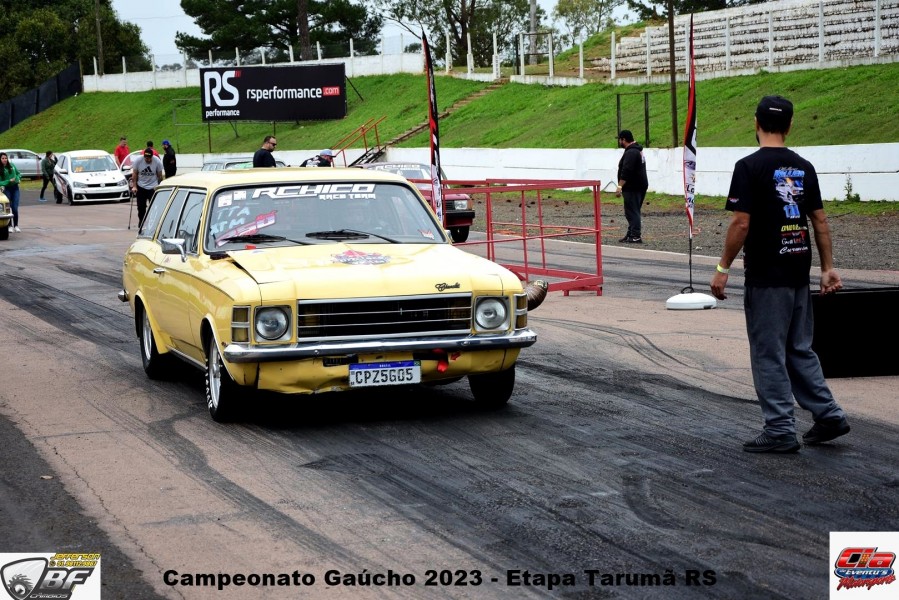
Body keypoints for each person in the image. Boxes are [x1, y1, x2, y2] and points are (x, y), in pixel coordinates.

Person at [710, 95, 850, 454]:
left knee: (768, 352)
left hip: (767, 274)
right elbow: (819, 220)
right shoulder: (804, 166)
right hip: (798, 268)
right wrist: (827, 268)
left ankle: (779, 428)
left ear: (756, 123)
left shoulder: (748, 166)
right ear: (789, 126)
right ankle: (828, 414)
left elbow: (741, 223)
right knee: (799, 348)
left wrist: (722, 268)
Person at [615, 130, 648, 243]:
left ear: (623, 139)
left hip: (633, 187)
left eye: (620, 139)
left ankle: (635, 235)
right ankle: (631, 233)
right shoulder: (637, 150)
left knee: (632, 211)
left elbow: (626, 171)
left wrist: (619, 186)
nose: (619, 142)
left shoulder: (631, 152)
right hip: (639, 185)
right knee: (633, 210)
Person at [131, 148, 164, 226]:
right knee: (141, 206)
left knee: (154, 206)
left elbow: (160, 175)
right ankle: (141, 221)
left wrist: (160, 186)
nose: (147, 159)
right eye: (146, 158)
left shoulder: (157, 161)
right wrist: (134, 186)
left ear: (152, 156)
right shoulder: (138, 161)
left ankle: (154, 223)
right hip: (141, 186)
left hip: (153, 186)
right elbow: (135, 174)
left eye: (149, 158)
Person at [0, 152, 22, 232]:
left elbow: (18, 174)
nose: (4, 160)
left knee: (15, 207)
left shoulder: (12, 165)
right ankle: (9, 226)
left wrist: (18, 179)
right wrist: (8, 181)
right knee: (8, 207)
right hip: (7, 189)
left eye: (5, 158)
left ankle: (16, 225)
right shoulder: (1, 169)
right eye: (2, 158)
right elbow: (0, 182)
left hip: (15, 188)